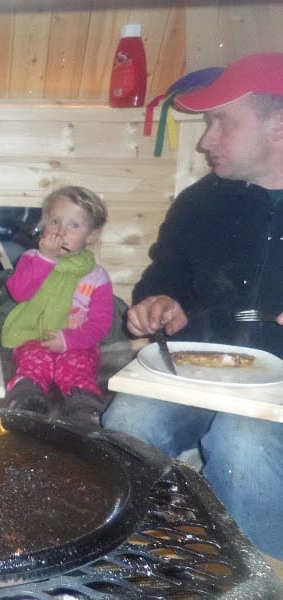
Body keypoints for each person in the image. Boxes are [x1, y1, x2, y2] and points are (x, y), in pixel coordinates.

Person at [102, 53, 283, 560]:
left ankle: (260, 577)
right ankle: (140, 560)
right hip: (198, 374)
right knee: (127, 421)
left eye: (222, 122)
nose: (206, 140)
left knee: (242, 442)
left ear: (278, 125)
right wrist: (161, 301)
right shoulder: (199, 202)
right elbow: (164, 277)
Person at [1, 186, 113, 425]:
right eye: (55, 221)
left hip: (76, 343)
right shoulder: (32, 259)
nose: (61, 231)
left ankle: (84, 410)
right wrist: (46, 260)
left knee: (77, 368)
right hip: (33, 337)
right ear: (44, 225)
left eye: (74, 225)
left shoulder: (96, 276)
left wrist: (68, 340)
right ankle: (27, 399)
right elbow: (19, 293)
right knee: (32, 361)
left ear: (91, 235)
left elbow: (100, 324)